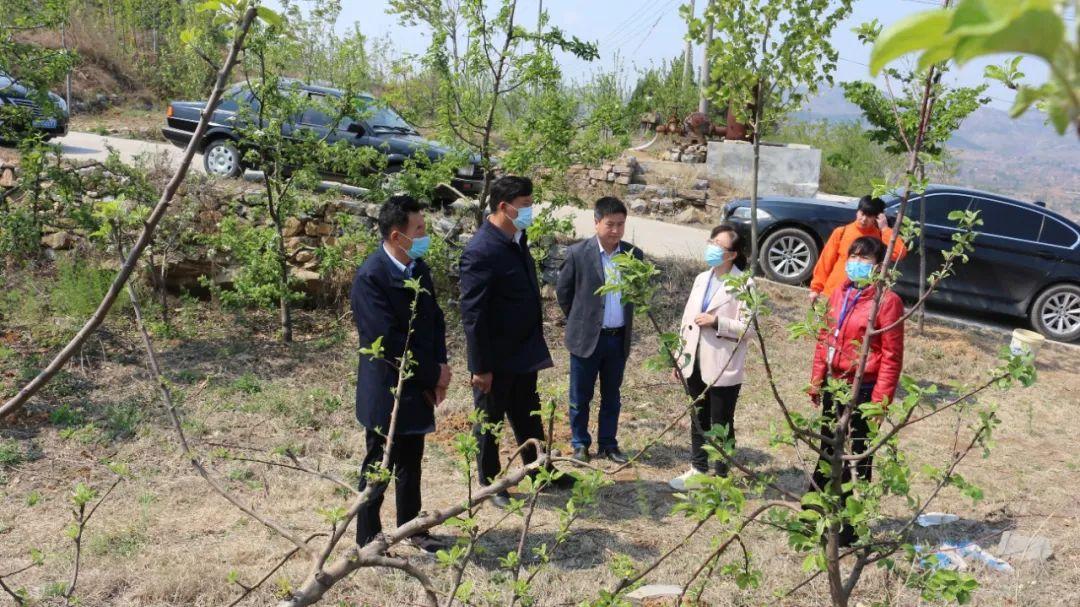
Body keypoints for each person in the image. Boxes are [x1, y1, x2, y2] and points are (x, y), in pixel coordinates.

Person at [459, 175, 574, 508]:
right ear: (503, 207)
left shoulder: (516, 239)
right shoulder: (481, 250)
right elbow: (473, 315)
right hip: (495, 357)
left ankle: (540, 470)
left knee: (528, 413)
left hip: (523, 350)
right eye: (525, 205)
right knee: (490, 420)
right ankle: (491, 483)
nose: (529, 210)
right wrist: (480, 366)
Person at [350, 195, 452, 554]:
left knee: (411, 461)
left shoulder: (418, 268)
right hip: (387, 388)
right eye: (419, 229)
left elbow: (435, 321)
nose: (425, 235)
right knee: (379, 464)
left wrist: (440, 368)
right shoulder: (371, 278)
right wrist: (432, 374)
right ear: (397, 236)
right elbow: (388, 342)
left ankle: (413, 529)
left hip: (419, 382)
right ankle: (367, 538)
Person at [808, 236, 904, 546]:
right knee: (827, 450)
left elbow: (891, 357)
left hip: (863, 389)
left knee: (856, 457)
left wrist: (880, 403)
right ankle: (814, 516)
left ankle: (849, 528)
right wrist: (817, 379)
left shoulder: (887, 301)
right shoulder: (840, 291)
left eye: (865, 259)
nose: (857, 263)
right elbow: (825, 337)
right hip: (834, 384)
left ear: (879, 266)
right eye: (853, 256)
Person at [556, 197, 644, 464]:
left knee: (612, 396)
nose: (616, 230)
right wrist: (582, 321)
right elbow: (564, 293)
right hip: (586, 339)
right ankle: (580, 443)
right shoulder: (578, 254)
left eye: (620, 224)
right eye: (610, 224)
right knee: (580, 396)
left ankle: (608, 443)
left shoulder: (633, 255)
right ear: (596, 223)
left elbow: (637, 293)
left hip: (617, 339)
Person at [669, 223, 754, 491]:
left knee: (721, 423)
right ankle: (698, 469)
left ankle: (722, 476)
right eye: (711, 242)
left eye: (719, 245)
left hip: (722, 364)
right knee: (698, 417)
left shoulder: (744, 284)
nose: (712, 248)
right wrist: (679, 357)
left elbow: (749, 328)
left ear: (733, 254)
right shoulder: (701, 278)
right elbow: (687, 320)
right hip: (694, 360)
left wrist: (717, 322)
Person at [808, 195, 908, 304]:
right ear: (857, 211)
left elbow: (899, 253)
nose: (864, 219)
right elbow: (825, 262)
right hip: (834, 292)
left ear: (877, 217)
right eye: (862, 213)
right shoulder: (841, 232)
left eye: (869, 216)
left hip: (863, 298)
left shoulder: (880, 236)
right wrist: (816, 288)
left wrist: (885, 229)